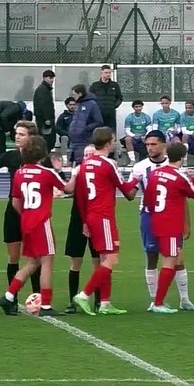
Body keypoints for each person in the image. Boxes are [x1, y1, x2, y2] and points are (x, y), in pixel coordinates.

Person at [0, 137, 71, 316]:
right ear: (43, 153)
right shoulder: (46, 173)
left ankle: (8, 295)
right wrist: (71, 173)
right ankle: (45, 305)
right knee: (47, 261)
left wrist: (26, 215)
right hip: (41, 222)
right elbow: (67, 189)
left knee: (32, 263)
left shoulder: (19, 173)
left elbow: (15, 201)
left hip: (26, 221)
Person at [72, 128, 138, 316]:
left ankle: (105, 303)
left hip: (92, 216)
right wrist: (137, 178)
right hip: (104, 217)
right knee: (111, 258)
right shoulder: (109, 164)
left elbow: (81, 196)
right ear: (109, 142)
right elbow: (126, 190)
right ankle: (84, 294)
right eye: (114, 140)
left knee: (104, 259)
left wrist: (85, 221)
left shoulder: (85, 164)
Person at [0, 121, 41, 294]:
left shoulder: (40, 158)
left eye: (21, 134)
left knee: (35, 257)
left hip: (34, 211)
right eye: (17, 134)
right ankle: (11, 297)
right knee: (14, 257)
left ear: (31, 137)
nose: (17, 137)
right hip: (13, 211)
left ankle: (37, 295)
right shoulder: (11, 156)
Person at [133, 131, 190, 307]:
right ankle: (156, 300)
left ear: (163, 145)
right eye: (147, 145)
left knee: (178, 257)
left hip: (171, 217)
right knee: (151, 257)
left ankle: (185, 299)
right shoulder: (140, 168)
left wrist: (186, 224)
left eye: (154, 144)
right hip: (148, 216)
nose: (150, 148)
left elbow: (184, 197)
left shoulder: (175, 165)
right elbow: (130, 193)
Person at [146, 142, 194, 313]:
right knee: (170, 260)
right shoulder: (180, 176)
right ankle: (159, 302)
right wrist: (192, 177)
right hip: (170, 223)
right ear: (183, 158)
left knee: (175, 258)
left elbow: (148, 199)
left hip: (156, 220)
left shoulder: (155, 173)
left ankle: (180, 300)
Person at [64, 143, 102, 314]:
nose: (88, 158)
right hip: (78, 218)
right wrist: (73, 175)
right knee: (75, 261)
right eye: (86, 155)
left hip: (96, 218)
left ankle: (99, 301)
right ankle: (73, 301)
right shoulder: (78, 171)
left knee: (98, 261)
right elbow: (68, 190)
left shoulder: (101, 170)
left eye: (91, 154)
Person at [68, 84, 103, 163]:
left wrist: (85, 129)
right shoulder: (78, 104)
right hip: (74, 141)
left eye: (74, 94)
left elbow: (99, 121)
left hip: (85, 140)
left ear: (80, 94)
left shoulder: (92, 104)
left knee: (84, 163)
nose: (73, 96)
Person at [89, 65, 123, 137]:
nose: (108, 74)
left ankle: (111, 147)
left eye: (109, 73)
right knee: (98, 132)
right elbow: (90, 98)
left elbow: (119, 98)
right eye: (106, 72)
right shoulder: (95, 85)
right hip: (98, 114)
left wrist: (113, 106)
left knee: (111, 133)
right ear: (102, 73)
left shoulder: (115, 85)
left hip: (110, 113)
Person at [33, 70, 56, 137]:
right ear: (44, 78)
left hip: (43, 119)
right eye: (50, 78)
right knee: (46, 138)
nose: (52, 80)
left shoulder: (44, 89)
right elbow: (44, 106)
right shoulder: (43, 90)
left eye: (53, 78)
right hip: (44, 120)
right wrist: (47, 119)